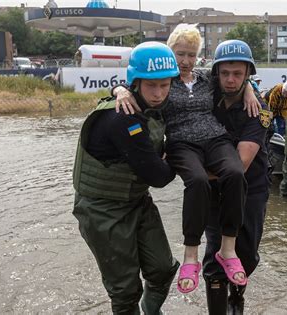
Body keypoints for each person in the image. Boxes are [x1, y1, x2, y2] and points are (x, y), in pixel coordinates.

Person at [111, 25, 261, 294]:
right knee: (198, 180)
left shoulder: (207, 80)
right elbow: (135, 86)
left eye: (191, 55)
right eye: (180, 54)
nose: (185, 61)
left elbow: (235, 79)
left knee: (236, 173)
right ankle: (191, 254)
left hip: (216, 140)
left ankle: (228, 250)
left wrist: (249, 88)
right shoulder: (165, 82)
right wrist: (119, 90)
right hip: (182, 143)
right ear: (170, 54)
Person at [72, 42, 180, 315]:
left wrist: (248, 87)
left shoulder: (147, 102)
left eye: (164, 85)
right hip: (102, 211)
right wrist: (175, 160)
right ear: (135, 83)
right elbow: (158, 176)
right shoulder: (121, 118)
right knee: (125, 291)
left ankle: (151, 311)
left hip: (136, 201)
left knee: (163, 269)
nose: (158, 94)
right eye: (151, 86)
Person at [203, 39, 271, 315]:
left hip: (251, 190)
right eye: (225, 73)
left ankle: (237, 296)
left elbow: (240, 164)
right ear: (216, 73)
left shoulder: (260, 110)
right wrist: (120, 88)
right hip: (212, 190)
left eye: (238, 74)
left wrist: (195, 171)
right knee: (214, 256)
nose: (230, 80)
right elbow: (161, 87)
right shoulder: (205, 98)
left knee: (247, 254)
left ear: (247, 75)